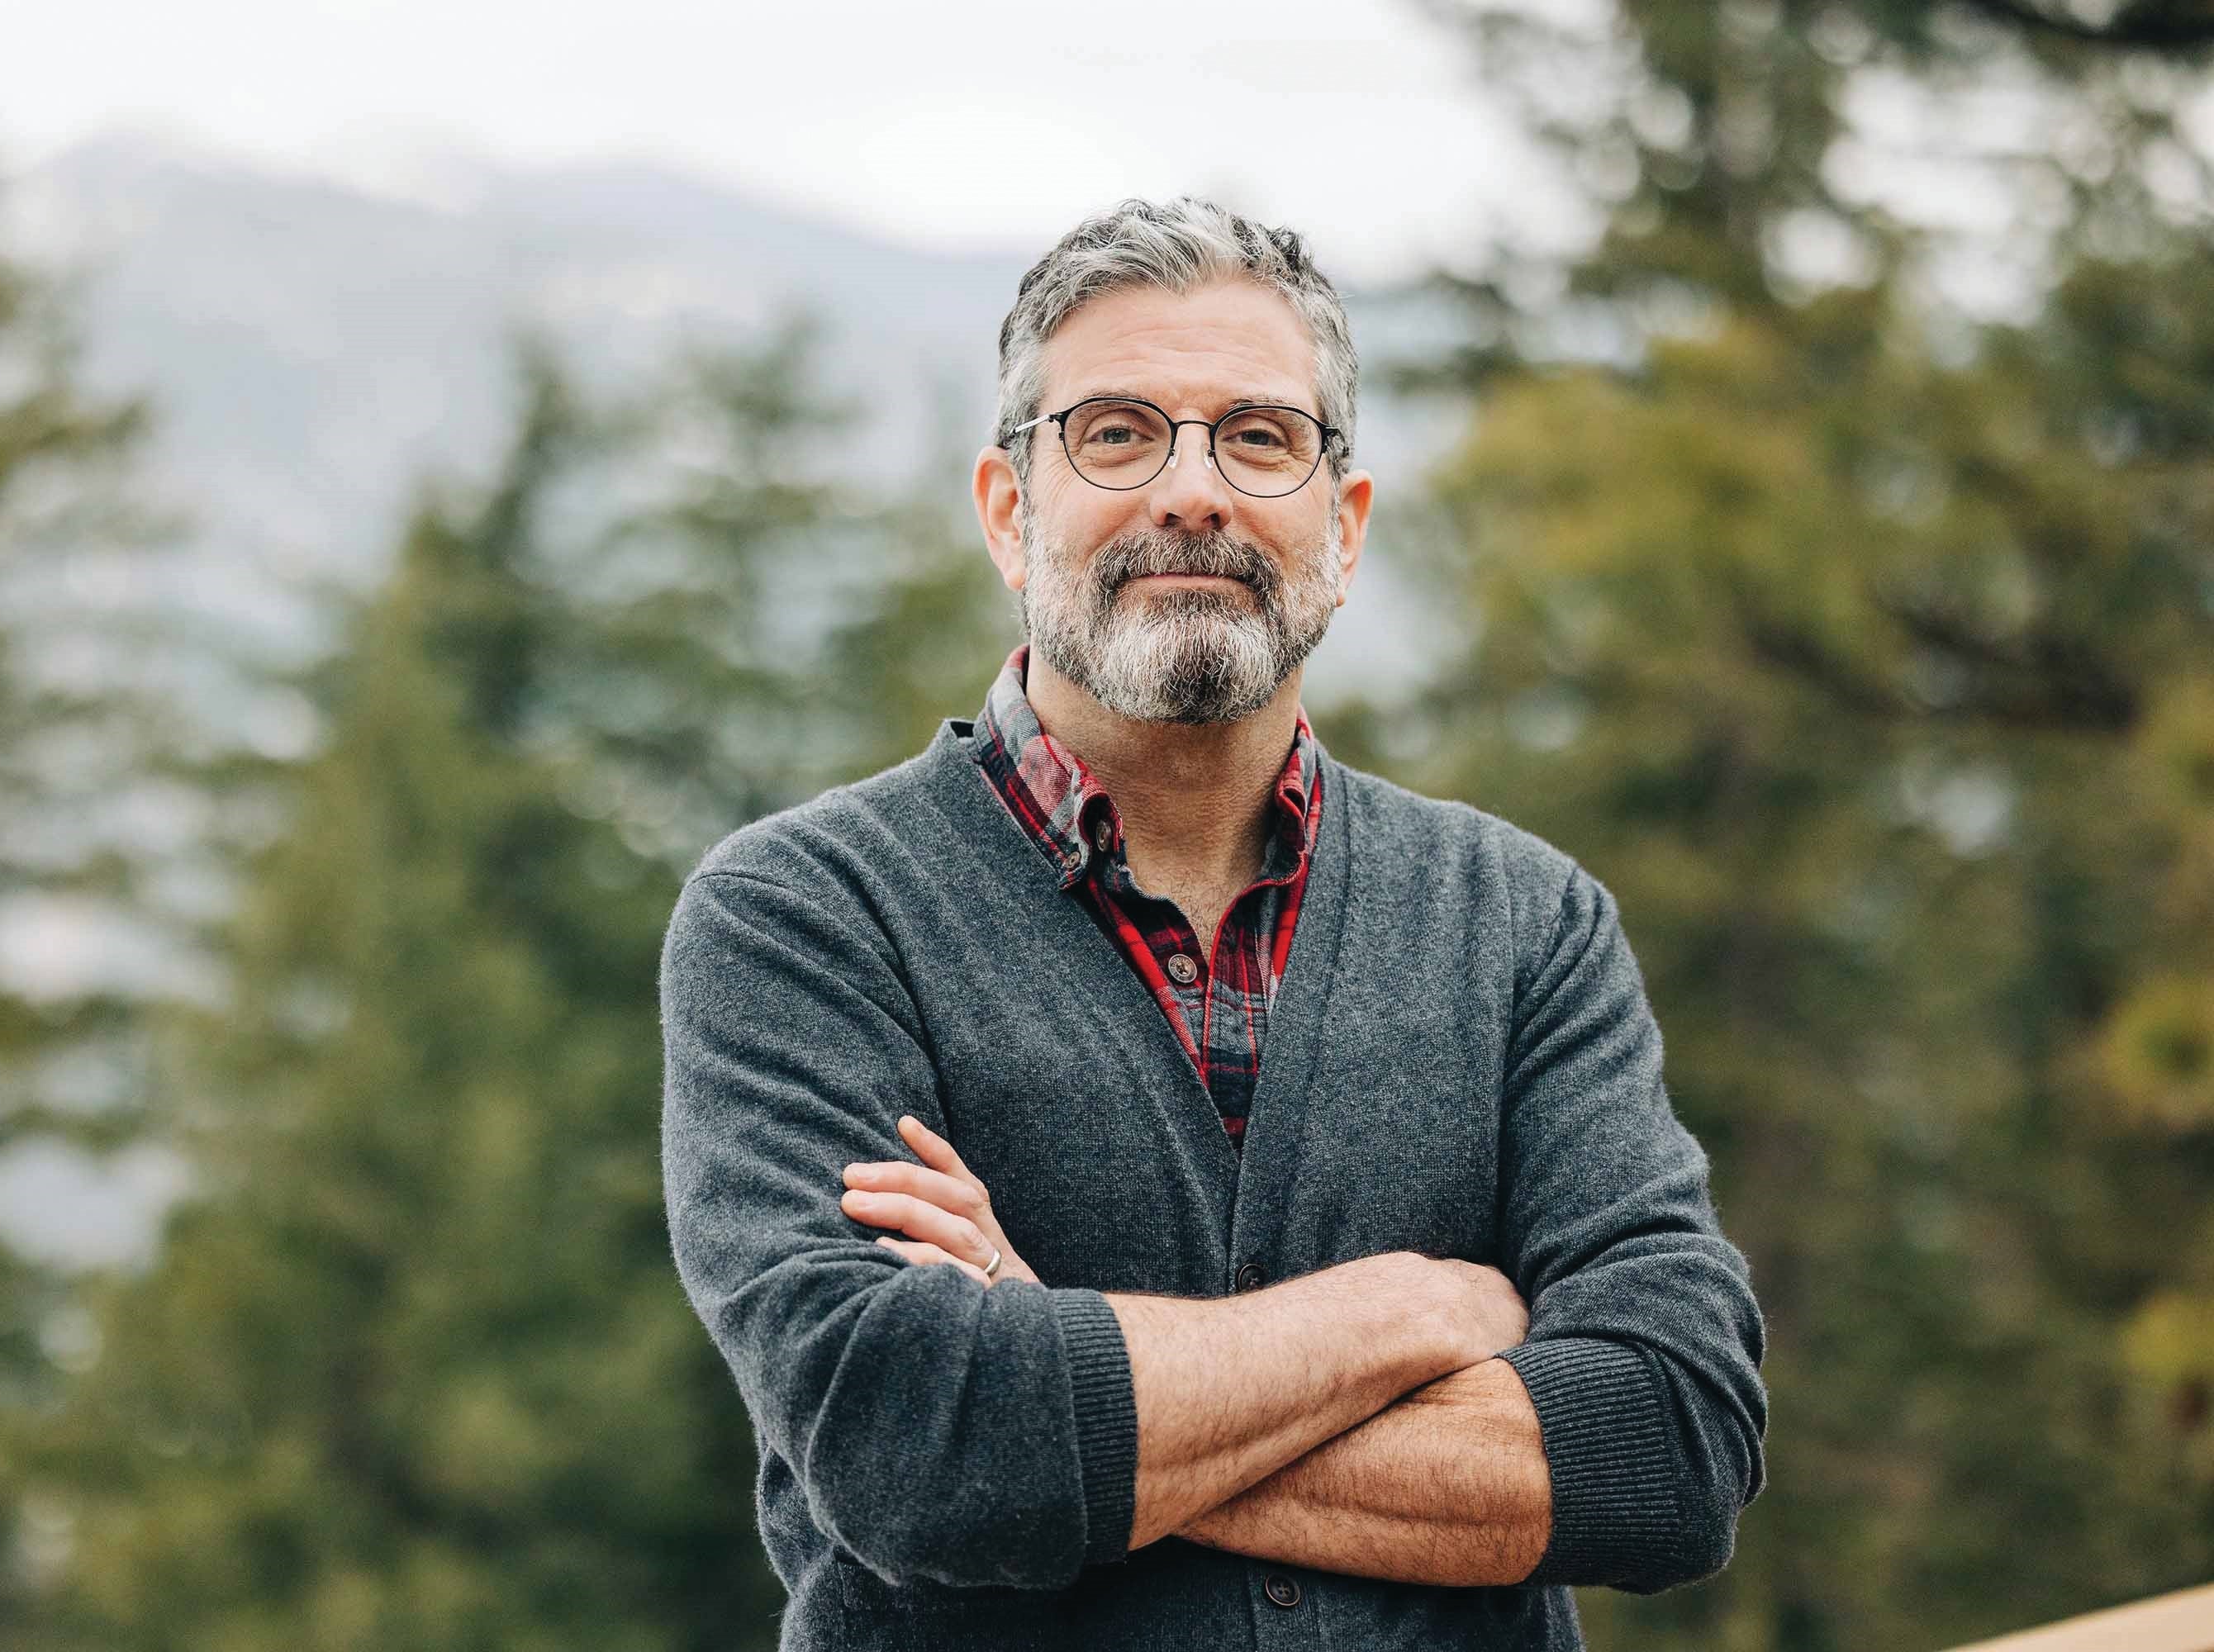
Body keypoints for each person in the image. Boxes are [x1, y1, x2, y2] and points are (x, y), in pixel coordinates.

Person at [658, 197, 1766, 1651]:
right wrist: (1403, 1313)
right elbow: (911, 1449)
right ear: (1008, 509)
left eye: (1259, 436)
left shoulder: (1526, 924)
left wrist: (1054, 1377)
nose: (1195, 490)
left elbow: (1672, 1451)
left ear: (1345, 523)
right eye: (1117, 433)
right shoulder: (804, 916)